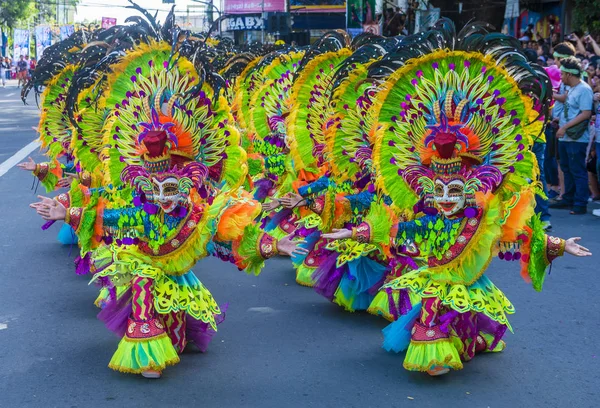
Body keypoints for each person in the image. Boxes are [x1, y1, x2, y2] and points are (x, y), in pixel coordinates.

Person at [550, 57, 594, 214]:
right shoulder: (572, 89)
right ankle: (568, 199)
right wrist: (558, 120)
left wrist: (565, 126)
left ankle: (580, 203)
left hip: (577, 139)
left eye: (562, 74)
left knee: (577, 170)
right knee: (567, 169)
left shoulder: (584, 90)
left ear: (569, 74)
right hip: (565, 136)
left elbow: (586, 113)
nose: (560, 77)